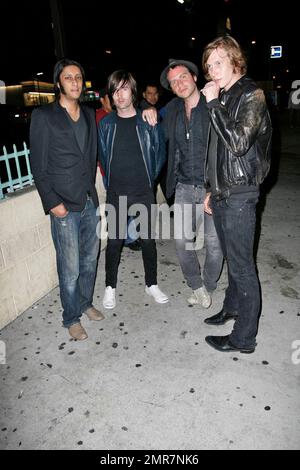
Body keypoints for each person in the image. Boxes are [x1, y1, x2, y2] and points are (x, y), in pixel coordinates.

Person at [201, 36, 272, 353]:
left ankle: (244, 337)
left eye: (218, 62)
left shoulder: (251, 94)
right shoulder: (227, 95)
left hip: (240, 194)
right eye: (209, 65)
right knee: (233, 259)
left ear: (235, 61)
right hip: (221, 192)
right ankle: (232, 307)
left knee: (243, 267)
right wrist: (209, 189)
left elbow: (239, 143)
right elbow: (216, 150)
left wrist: (213, 104)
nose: (212, 70)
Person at [30, 58, 104, 341]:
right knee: (70, 266)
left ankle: (84, 303)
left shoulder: (88, 114)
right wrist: (52, 203)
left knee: (89, 260)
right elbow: (39, 165)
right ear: (58, 82)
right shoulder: (44, 116)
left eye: (78, 77)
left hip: (88, 201)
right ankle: (71, 317)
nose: (74, 82)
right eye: (68, 77)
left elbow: (91, 156)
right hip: (63, 205)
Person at [144, 58, 223, 308]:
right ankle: (196, 286)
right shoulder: (173, 109)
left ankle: (208, 285)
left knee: (214, 243)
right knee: (181, 242)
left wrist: (217, 188)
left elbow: (226, 147)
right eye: (173, 81)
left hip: (214, 188)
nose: (179, 83)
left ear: (195, 78)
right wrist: (147, 110)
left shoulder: (213, 104)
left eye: (183, 77)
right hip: (184, 188)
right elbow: (152, 125)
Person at [98, 70, 168, 309]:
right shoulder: (106, 124)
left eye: (124, 88)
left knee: (147, 241)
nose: (119, 95)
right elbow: (104, 156)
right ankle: (110, 287)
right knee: (115, 242)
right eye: (115, 90)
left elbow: (160, 154)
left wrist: (148, 180)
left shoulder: (147, 121)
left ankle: (151, 284)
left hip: (142, 192)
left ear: (133, 92)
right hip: (117, 193)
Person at [96, 88, 140, 251]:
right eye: (112, 96)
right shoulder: (100, 117)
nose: (117, 98)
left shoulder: (120, 114)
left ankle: (129, 237)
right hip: (111, 174)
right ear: (103, 99)